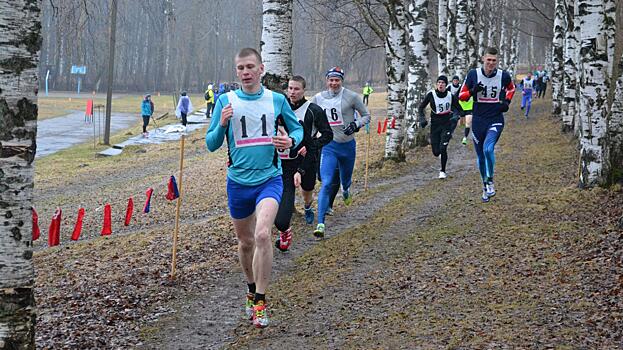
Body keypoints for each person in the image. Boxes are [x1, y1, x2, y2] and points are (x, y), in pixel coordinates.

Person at [205, 48, 303, 328]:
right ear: (236, 72)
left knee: (262, 235)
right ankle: (250, 288)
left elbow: (296, 131)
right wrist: (222, 123)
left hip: (269, 179)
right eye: (240, 68)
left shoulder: (277, 100)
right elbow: (211, 144)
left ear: (261, 69)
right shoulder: (226, 100)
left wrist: (290, 142)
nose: (245, 72)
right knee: (246, 242)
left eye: (250, 67)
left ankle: (260, 300)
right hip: (238, 183)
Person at [274, 76, 333, 252]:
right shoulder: (280, 110)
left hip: (308, 159)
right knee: (287, 191)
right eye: (290, 88)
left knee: (307, 189)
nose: (292, 92)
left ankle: (307, 206)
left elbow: (328, 134)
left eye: (296, 89)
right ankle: (284, 222)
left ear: (303, 90)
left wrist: (312, 145)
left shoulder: (313, 110)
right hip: (286, 163)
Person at [311, 67, 370, 238]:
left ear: (341, 81)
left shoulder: (351, 96)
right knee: (327, 182)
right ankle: (321, 223)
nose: (334, 83)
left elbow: (366, 115)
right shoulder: (318, 98)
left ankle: (346, 190)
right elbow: (313, 120)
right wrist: (311, 136)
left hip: (347, 147)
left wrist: (356, 124)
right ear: (327, 80)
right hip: (329, 147)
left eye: (337, 80)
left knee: (345, 179)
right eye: (331, 80)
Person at [459, 46, 515, 202]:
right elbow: (461, 96)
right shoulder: (473, 74)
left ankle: (490, 180)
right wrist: (472, 91)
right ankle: (485, 184)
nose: (491, 63)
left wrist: (506, 101)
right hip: (478, 119)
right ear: (483, 59)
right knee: (480, 156)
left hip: (495, 118)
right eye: (488, 60)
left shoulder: (503, 75)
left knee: (488, 148)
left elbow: (511, 88)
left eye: (494, 61)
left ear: (497, 61)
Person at [418, 75, 464, 179]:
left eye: (443, 83)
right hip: (435, 125)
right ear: (436, 84)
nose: (440, 84)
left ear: (446, 85)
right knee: (436, 152)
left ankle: (442, 171)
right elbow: (421, 108)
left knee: (443, 148)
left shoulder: (450, 95)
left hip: (446, 124)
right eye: (439, 82)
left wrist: (457, 116)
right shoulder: (431, 95)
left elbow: (460, 109)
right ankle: (440, 155)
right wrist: (422, 119)